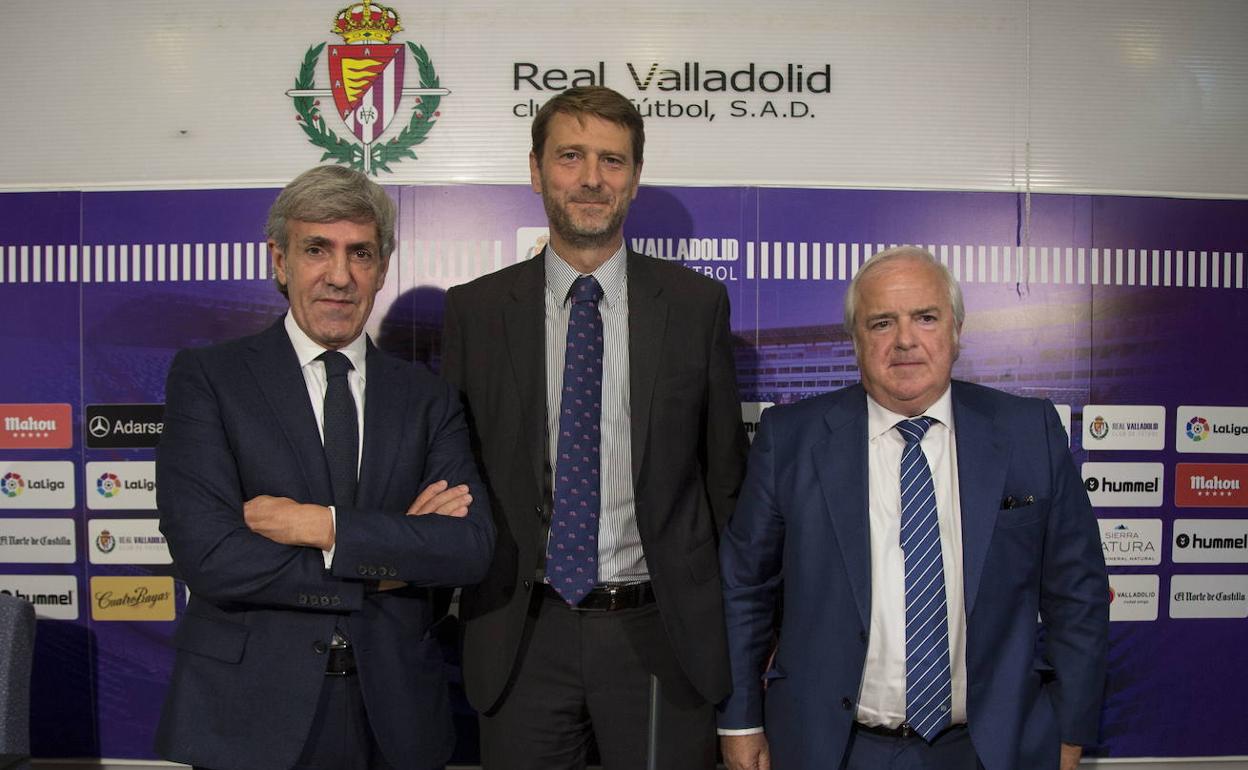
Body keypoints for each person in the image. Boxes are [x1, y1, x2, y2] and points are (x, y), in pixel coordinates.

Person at [441, 85, 748, 770]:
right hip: (521, 634)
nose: (590, 179)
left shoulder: (696, 307)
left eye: (612, 161)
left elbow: (724, 481)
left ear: (634, 179)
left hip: (660, 637)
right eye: (570, 156)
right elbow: (453, 475)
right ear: (535, 170)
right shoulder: (477, 311)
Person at [154, 165, 495, 770]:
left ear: (382, 268)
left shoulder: (428, 398)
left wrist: (327, 527)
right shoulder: (210, 379)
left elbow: (466, 548)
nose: (340, 276)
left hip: (394, 717)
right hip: (250, 714)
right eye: (317, 249)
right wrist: (386, 564)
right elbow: (209, 556)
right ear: (280, 261)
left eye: (359, 253)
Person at [718, 246, 1109, 770]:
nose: (905, 340)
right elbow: (745, 588)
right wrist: (741, 719)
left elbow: (1077, 594)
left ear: (956, 329)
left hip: (993, 748)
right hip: (830, 748)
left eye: (925, 318)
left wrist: (1071, 727)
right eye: (881, 323)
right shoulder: (790, 440)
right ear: (855, 340)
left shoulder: (1029, 433)